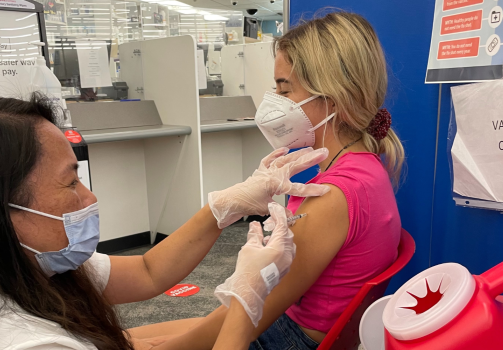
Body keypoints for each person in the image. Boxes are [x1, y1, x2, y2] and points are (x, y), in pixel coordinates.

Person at [0, 94, 329, 350]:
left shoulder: (27, 266)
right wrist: (247, 300)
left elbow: (149, 270)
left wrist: (221, 207)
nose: (89, 198)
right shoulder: (20, 341)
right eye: (70, 183)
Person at [134, 10, 405, 350]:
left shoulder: (333, 193)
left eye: (283, 89)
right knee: (124, 337)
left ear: (331, 97)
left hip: (286, 336)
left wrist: (168, 347)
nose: (273, 101)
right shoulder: (362, 166)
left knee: (125, 341)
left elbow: (254, 310)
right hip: (289, 325)